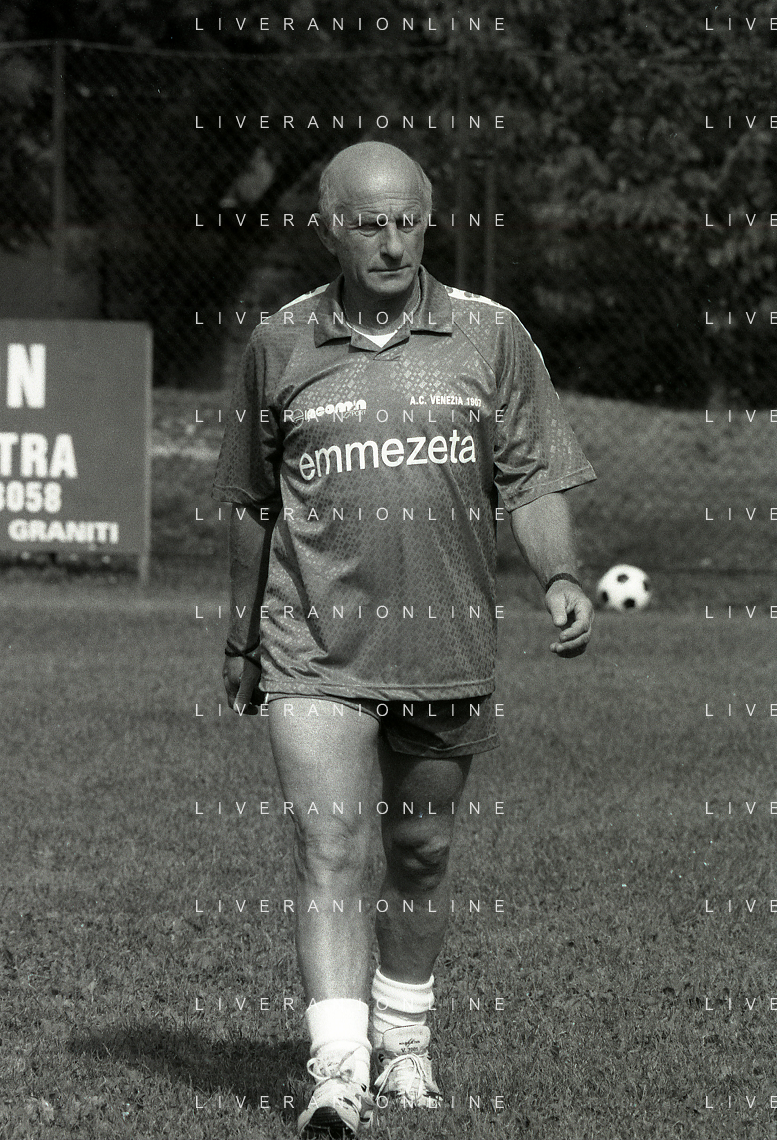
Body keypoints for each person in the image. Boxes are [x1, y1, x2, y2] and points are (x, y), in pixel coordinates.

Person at [212, 140, 596, 1136]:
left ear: (427, 221)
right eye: (368, 224)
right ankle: (337, 1073)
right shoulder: (279, 344)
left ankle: (405, 1043)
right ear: (327, 229)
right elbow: (253, 502)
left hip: (443, 645)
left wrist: (559, 574)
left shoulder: (491, 335)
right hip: (312, 644)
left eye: (407, 221)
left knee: (420, 850)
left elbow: (531, 476)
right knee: (330, 845)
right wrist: (242, 638)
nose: (391, 242)